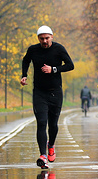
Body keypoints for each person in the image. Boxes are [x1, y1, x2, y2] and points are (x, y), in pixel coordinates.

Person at [21, 25, 74, 169]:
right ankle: (43, 156)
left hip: (55, 92)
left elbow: (70, 65)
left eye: (47, 38)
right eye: (42, 38)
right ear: (38, 38)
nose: (44, 41)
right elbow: (26, 60)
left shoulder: (59, 49)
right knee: (41, 123)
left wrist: (53, 69)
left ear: (52, 37)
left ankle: (51, 145)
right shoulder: (33, 50)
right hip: (39, 92)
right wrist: (24, 75)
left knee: (53, 125)